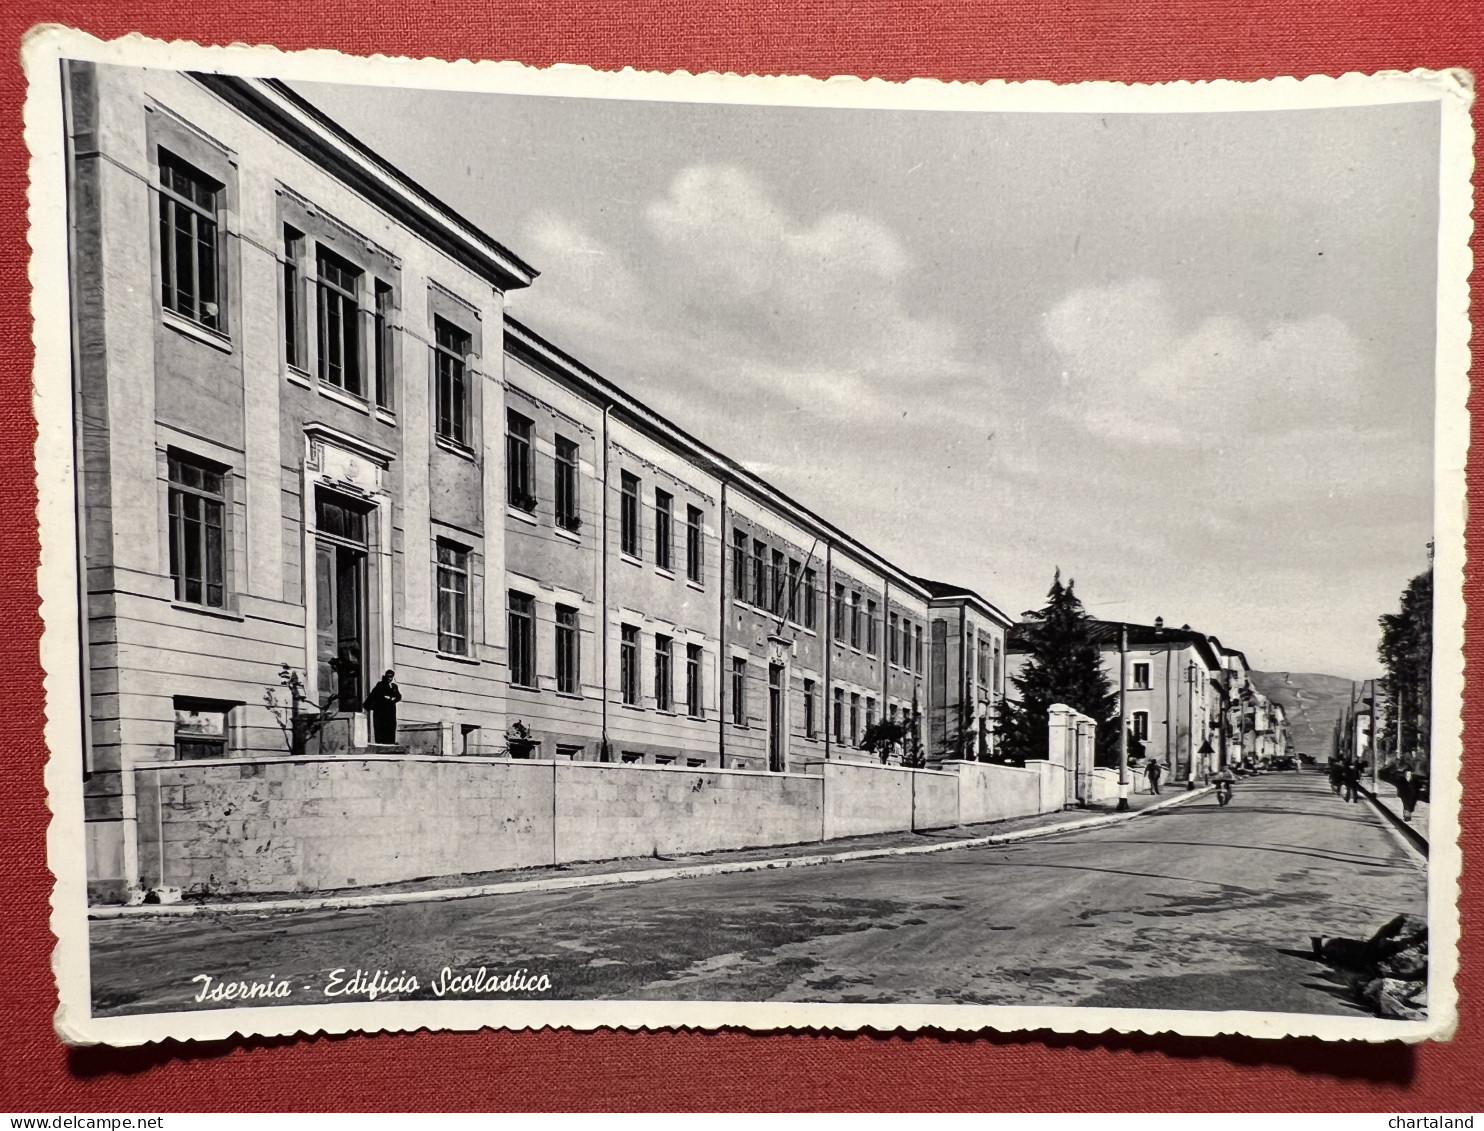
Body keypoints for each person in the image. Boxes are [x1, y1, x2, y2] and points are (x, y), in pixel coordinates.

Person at [363, 669, 402, 745]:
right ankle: (382, 742)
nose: (389, 678)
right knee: (381, 726)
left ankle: (391, 742)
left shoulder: (394, 686)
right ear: (385, 676)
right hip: (382, 711)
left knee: (391, 726)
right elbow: (376, 695)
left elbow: (399, 696)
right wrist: (386, 698)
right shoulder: (380, 684)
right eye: (388, 676)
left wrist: (392, 698)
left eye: (391, 677)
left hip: (391, 711)